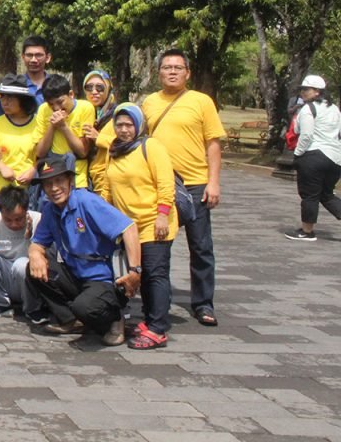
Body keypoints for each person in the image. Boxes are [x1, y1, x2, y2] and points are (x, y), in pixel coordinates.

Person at [141, 48, 226, 327]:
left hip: (195, 183)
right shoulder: (150, 103)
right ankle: (156, 300)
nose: (173, 72)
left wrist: (213, 182)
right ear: (159, 73)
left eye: (178, 67)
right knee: (158, 245)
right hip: (161, 185)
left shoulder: (201, 101)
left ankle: (203, 303)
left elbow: (213, 144)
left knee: (201, 246)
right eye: (167, 67)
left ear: (187, 73)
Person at [27, 153, 141, 346]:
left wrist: (135, 271)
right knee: (33, 269)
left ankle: (115, 318)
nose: (54, 188)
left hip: (103, 278)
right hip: (75, 274)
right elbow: (38, 242)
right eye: (48, 184)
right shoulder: (50, 209)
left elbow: (129, 228)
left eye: (59, 181)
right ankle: (71, 320)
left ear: (70, 180)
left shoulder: (87, 201)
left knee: (85, 308)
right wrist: (35, 253)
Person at [97, 103, 179, 350]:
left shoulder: (150, 146)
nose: (124, 130)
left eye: (128, 124)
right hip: (128, 226)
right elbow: (108, 187)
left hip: (154, 223)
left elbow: (165, 182)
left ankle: (157, 328)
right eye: (119, 125)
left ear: (138, 125)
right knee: (140, 274)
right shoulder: (115, 151)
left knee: (155, 274)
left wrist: (162, 214)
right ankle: (149, 318)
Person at [0, 186, 42, 320]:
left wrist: (31, 236)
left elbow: (47, 251)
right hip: (3, 275)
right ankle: (0, 303)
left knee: (22, 264)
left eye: (19, 219)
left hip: (27, 277)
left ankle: (32, 307)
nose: (14, 224)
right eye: (8, 220)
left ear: (26, 210)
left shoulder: (38, 220)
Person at [286, 75, 341, 241]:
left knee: (309, 195)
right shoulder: (334, 109)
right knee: (326, 195)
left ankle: (307, 231)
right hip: (335, 158)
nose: (303, 92)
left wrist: (298, 154)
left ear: (317, 92)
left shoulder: (308, 109)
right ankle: (307, 229)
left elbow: (306, 135)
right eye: (302, 89)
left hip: (313, 156)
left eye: (306, 89)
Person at [0, 74, 39, 207]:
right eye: (2, 97)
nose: (4, 102)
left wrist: (33, 171)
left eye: (10, 98)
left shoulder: (38, 124)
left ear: (22, 100)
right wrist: (1, 167)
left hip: (29, 195)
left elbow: (44, 155)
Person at [33, 74, 94, 189]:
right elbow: (40, 152)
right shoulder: (43, 110)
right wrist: (52, 126)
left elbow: (83, 152)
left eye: (60, 102)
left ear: (71, 95)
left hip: (77, 177)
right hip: (53, 174)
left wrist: (64, 127)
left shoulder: (86, 108)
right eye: (51, 104)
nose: (56, 108)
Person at [83, 69, 118, 193]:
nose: (94, 92)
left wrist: (99, 138)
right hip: (85, 179)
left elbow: (127, 145)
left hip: (109, 181)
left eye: (100, 87)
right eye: (89, 87)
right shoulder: (80, 114)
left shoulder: (118, 115)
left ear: (108, 89)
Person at [20, 36, 52, 103]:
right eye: (29, 55)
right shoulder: (15, 86)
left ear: (47, 58)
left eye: (38, 55)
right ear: (23, 57)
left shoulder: (56, 86)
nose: (33, 60)